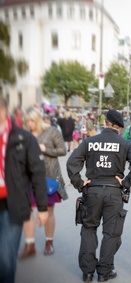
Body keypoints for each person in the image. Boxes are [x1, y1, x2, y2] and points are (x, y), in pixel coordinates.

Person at [66, 109, 131, 282]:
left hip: (92, 190)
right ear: (120, 127)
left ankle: (87, 272)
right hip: (114, 192)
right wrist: (126, 182)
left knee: (89, 228)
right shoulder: (125, 144)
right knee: (111, 233)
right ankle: (104, 272)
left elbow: (72, 163)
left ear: (106, 123)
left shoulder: (89, 141)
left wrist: (79, 182)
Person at [0, 96, 48, 283]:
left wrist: (42, 208)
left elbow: (37, 173)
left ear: (4, 112)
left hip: (11, 205)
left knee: (5, 259)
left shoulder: (23, 139)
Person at [19, 108, 67, 259]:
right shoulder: (24, 134)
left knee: (48, 211)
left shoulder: (51, 131)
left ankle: (49, 242)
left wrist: (45, 149)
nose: (30, 124)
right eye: (27, 122)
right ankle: (30, 243)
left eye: (32, 121)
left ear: (38, 120)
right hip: (28, 177)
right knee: (26, 211)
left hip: (48, 177)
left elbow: (62, 150)